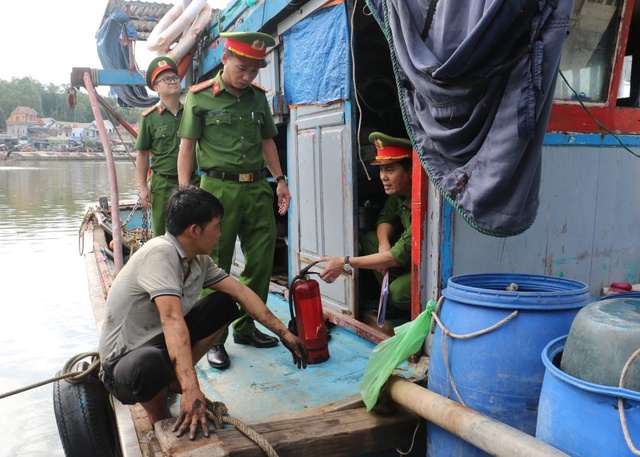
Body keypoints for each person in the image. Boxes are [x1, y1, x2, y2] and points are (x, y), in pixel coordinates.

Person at [98, 185, 308, 441]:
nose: (220, 234)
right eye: (217, 226)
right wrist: (192, 389)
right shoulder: (160, 253)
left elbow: (241, 293)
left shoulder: (197, 261)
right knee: (149, 364)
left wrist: (285, 333)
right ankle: (161, 416)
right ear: (194, 231)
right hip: (123, 366)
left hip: (156, 344)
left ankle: (175, 381)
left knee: (223, 303)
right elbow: (172, 319)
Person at [177, 31, 290, 370]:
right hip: (216, 190)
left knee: (260, 262)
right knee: (215, 268)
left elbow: (268, 141)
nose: (247, 76)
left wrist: (280, 180)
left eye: (254, 71)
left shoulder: (257, 98)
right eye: (242, 68)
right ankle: (215, 339)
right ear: (225, 58)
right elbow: (186, 148)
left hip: (257, 188)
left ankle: (245, 327)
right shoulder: (199, 98)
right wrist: (185, 192)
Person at [319, 132, 413, 317]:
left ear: (410, 170)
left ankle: (405, 307)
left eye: (390, 170)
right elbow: (384, 219)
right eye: (381, 170)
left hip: (421, 268)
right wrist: (383, 243)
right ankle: (389, 302)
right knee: (372, 238)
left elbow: (395, 257)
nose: (383, 177)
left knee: (398, 292)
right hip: (407, 259)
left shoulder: (421, 202)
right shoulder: (398, 194)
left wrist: (344, 262)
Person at [135, 56, 198, 236]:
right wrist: (143, 186)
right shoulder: (149, 117)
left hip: (192, 182)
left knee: (193, 232)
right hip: (162, 184)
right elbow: (142, 154)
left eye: (175, 78)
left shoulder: (191, 113)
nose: (173, 82)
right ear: (156, 87)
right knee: (162, 235)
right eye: (167, 79)